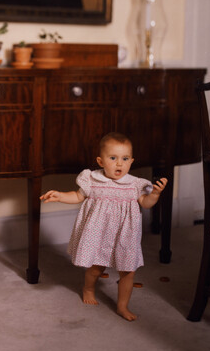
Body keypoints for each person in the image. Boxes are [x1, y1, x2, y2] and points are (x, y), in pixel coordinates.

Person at [40, 132, 168, 321]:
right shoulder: (92, 180)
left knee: (128, 271)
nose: (119, 164)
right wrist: (60, 195)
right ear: (100, 161)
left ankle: (122, 306)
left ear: (131, 161)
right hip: (99, 234)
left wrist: (155, 194)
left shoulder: (135, 185)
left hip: (125, 236)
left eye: (125, 159)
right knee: (95, 268)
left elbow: (146, 203)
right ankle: (88, 288)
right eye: (113, 158)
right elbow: (77, 196)